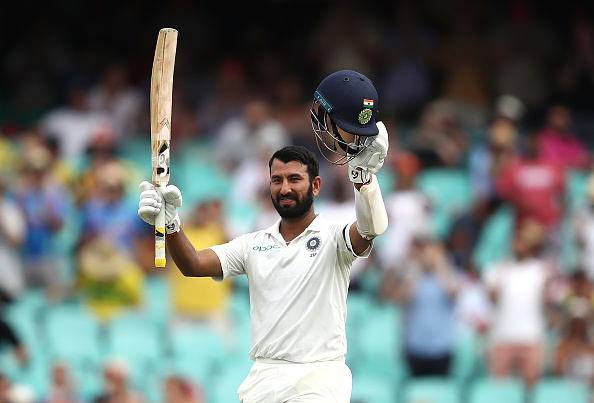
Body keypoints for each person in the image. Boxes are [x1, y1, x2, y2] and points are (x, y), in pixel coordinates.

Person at [138, 70, 389, 402]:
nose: (285, 187)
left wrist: (365, 180)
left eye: (295, 179)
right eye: (277, 180)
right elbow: (193, 265)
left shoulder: (333, 238)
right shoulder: (253, 244)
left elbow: (370, 230)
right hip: (263, 380)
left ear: (315, 186)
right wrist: (170, 224)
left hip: (318, 379)